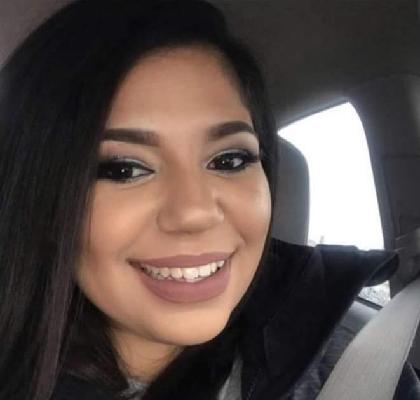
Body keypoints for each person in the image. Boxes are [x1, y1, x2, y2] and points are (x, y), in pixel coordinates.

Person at [0, 1, 418, 399]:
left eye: (229, 160)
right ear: (40, 198)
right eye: (124, 169)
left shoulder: (354, 366)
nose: (195, 212)